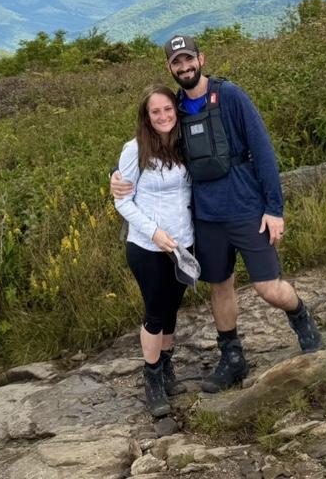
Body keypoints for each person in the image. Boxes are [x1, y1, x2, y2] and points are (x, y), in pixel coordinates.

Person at [111, 34, 321, 394]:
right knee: (220, 285)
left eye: (188, 60)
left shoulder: (230, 96)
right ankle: (232, 357)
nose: (184, 67)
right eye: (176, 62)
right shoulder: (175, 108)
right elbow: (151, 145)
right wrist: (116, 176)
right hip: (206, 217)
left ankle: (300, 315)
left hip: (246, 208)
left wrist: (274, 209)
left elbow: (262, 150)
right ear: (169, 68)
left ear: (201, 59)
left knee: (268, 288)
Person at [114, 84, 195, 417]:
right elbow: (122, 201)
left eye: (168, 109)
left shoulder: (183, 144)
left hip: (183, 244)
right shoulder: (134, 149)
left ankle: (166, 365)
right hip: (148, 246)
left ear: (176, 111)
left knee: (172, 308)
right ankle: (152, 379)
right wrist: (154, 233)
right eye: (155, 111)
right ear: (146, 117)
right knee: (156, 311)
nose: (163, 116)